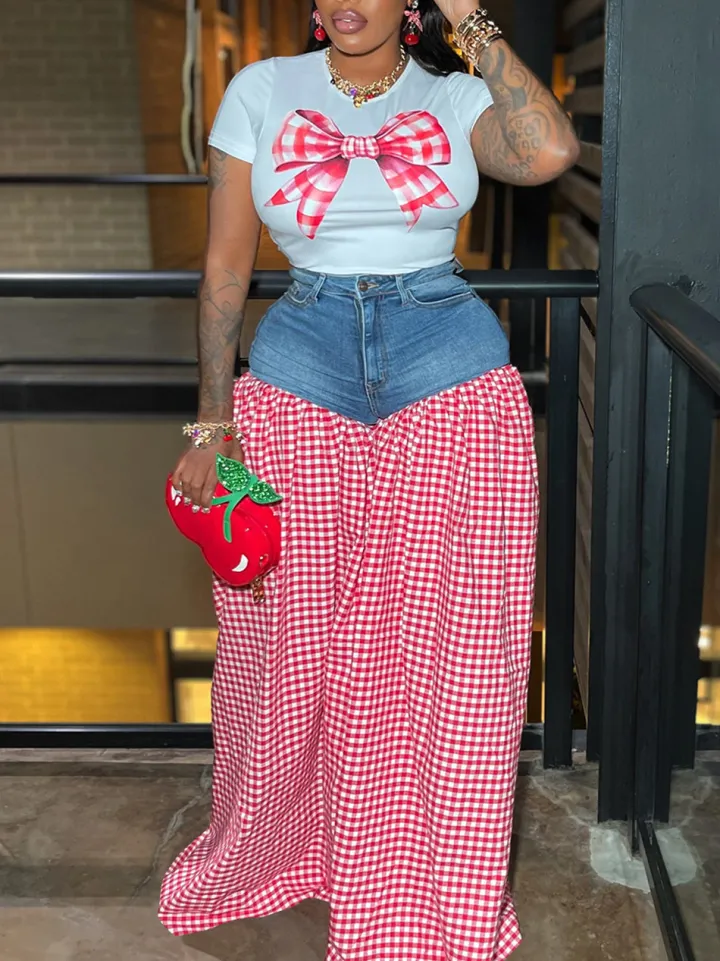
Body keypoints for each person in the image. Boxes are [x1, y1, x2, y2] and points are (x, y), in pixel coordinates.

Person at [159, 2, 579, 958]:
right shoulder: (261, 89)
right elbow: (225, 265)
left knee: (456, 657)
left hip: (451, 381)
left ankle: (435, 886)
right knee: (290, 650)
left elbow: (549, 151)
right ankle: (293, 850)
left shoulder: (458, 94)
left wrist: (471, 19)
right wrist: (212, 422)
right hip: (298, 377)